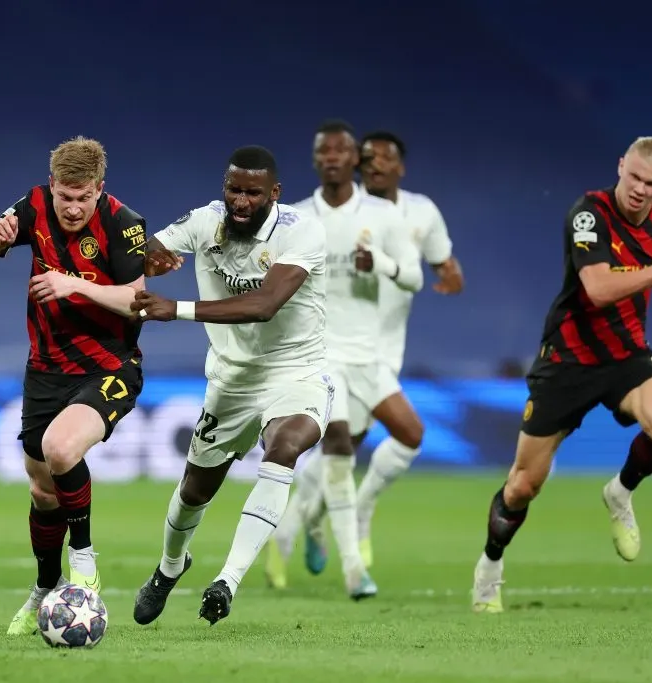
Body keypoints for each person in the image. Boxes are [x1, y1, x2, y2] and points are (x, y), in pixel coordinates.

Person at [472, 136, 652, 613]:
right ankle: (490, 566)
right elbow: (598, 289)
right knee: (523, 486)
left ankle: (620, 492)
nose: (640, 189)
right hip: (568, 360)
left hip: (626, 355)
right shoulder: (589, 215)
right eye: (634, 177)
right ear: (620, 166)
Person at [129, 145, 332, 626]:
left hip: (297, 371)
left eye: (252, 193)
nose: (240, 201)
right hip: (232, 380)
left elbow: (264, 304)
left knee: (284, 448)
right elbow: (144, 251)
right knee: (194, 492)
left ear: (274, 193)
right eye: (233, 189)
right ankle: (170, 566)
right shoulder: (206, 222)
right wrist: (146, 261)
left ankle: (228, 580)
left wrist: (174, 308)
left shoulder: (301, 231)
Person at [0, 136, 148, 634]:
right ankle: (45, 587)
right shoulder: (34, 206)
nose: (73, 207)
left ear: (99, 189)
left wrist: (74, 283)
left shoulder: (124, 224)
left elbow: (137, 302)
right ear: (52, 186)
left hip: (110, 367)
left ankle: (84, 559)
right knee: (43, 491)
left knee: (61, 449)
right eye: (65, 196)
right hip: (45, 370)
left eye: (83, 197)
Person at [283, 128, 465, 576]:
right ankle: (316, 528)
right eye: (367, 158)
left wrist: (449, 276)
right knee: (344, 444)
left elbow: (444, 268)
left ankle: (319, 517)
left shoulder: (421, 212)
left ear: (400, 167)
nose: (375, 165)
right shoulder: (338, 213)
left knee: (358, 445)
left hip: (385, 348)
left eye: (384, 158)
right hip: (339, 347)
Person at [264, 120, 422, 598]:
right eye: (323, 150)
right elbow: (268, 282)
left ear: (356, 159)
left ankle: (308, 520)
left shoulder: (383, 214)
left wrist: (382, 264)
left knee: (411, 433)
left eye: (341, 150)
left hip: (368, 356)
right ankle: (355, 570)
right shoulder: (293, 217)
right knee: (338, 445)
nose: (332, 156)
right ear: (316, 160)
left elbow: (414, 277)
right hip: (320, 353)